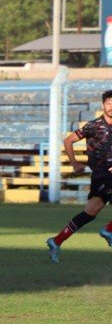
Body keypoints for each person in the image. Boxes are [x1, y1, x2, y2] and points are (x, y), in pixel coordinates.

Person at [47, 89, 112, 263]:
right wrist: (74, 163)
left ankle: (56, 240)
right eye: (108, 102)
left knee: (90, 212)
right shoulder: (94, 126)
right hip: (102, 175)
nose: (111, 106)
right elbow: (68, 140)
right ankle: (109, 231)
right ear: (103, 105)